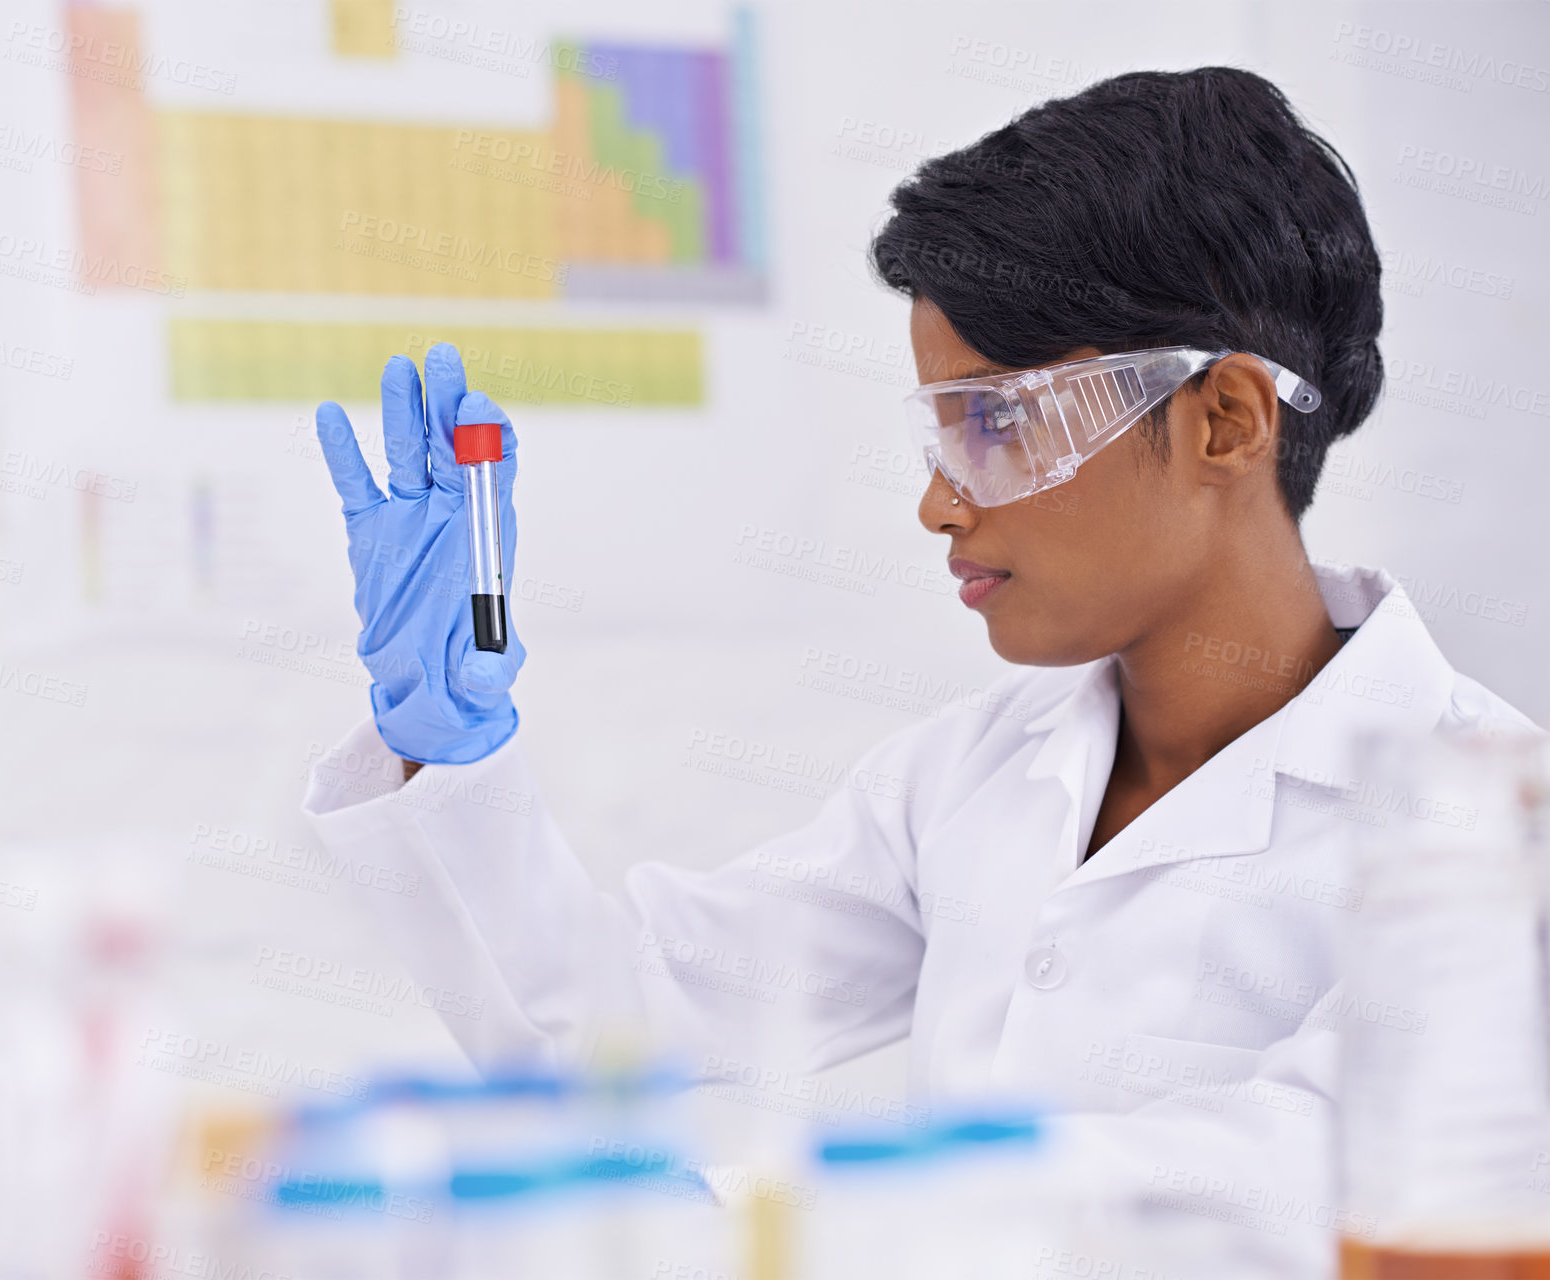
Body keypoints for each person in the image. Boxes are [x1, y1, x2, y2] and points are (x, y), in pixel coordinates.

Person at [305, 68, 1533, 1274]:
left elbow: (1302, 1174)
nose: (938, 502)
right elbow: (622, 1019)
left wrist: (750, 1217)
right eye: (940, 430)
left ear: (1222, 419)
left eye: (996, 422)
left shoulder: (1490, 823)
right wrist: (449, 751)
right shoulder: (970, 770)